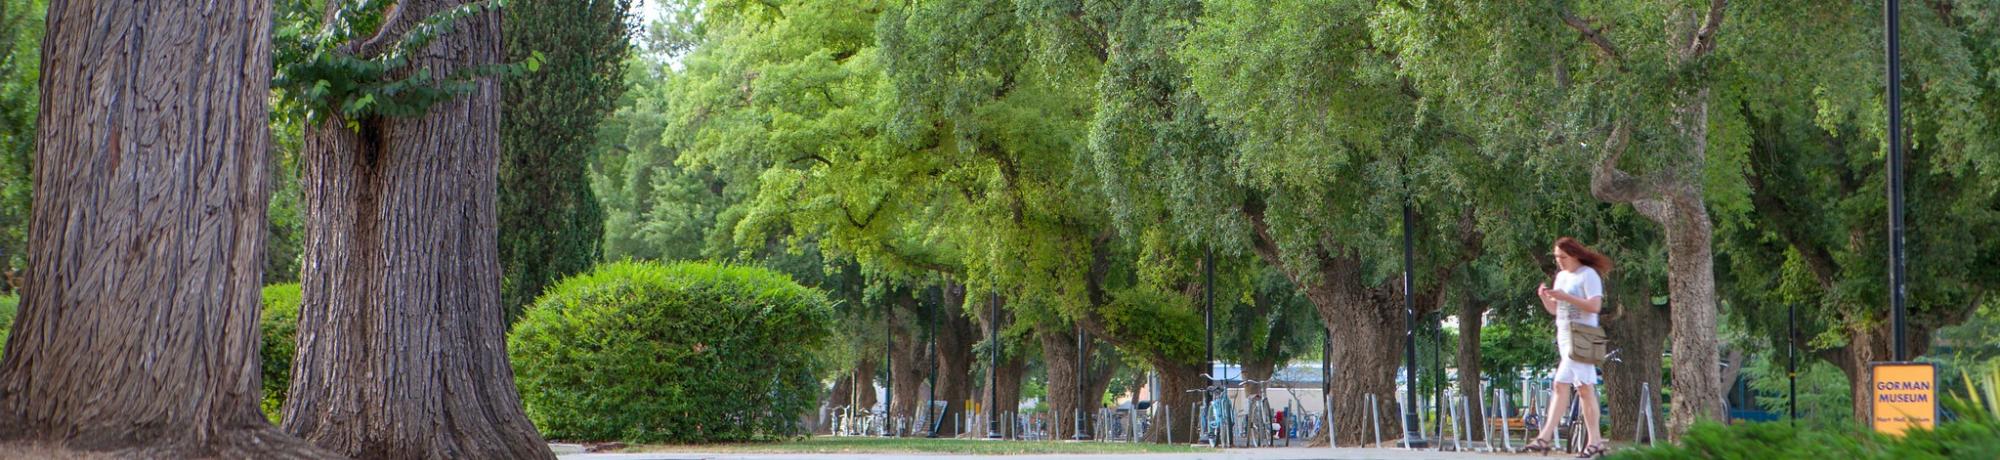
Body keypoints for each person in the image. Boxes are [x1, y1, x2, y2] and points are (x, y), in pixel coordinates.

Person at [1523, 237, 1610, 458]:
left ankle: (1546, 437)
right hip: (1564, 335)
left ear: (1574, 255)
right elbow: (1556, 310)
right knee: (1578, 389)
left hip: (1583, 335)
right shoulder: (1561, 277)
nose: (1559, 261)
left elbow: (1594, 305)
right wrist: (1545, 298)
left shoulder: (1588, 275)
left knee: (1568, 386)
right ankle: (1594, 441)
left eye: (1563, 257)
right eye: (1556, 257)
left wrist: (1566, 297)